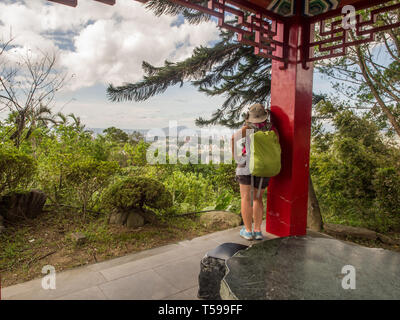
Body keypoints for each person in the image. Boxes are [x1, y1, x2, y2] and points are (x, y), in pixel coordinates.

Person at [231, 103, 278, 241]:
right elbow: (276, 146)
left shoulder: (248, 128)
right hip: (264, 166)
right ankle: (257, 231)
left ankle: (248, 231)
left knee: (246, 198)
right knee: (257, 198)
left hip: (247, 164)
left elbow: (233, 138)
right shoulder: (272, 128)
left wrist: (236, 157)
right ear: (265, 116)